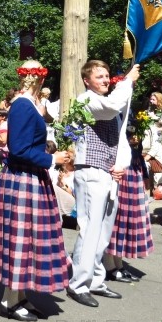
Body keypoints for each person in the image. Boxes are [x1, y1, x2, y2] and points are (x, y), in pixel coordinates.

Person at [0, 60, 70, 321]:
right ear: (38, 80)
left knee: (29, 241)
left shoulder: (29, 105)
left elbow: (28, 142)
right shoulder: (23, 105)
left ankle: (20, 295)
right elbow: (19, 148)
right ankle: (8, 301)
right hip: (23, 180)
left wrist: (47, 146)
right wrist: (51, 160)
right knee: (21, 240)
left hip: (31, 178)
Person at [67, 61, 140, 308]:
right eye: (100, 76)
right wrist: (127, 81)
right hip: (89, 172)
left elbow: (121, 141)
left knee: (103, 232)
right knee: (90, 231)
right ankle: (78, 284)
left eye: (108, 76)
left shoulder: (106, 101)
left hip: (108, 175)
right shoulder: (85, 99)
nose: (106, 80)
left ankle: (96, 280)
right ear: (87, 80)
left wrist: (122, 165)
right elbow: (111, 108)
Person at [104, 126, 153, 282]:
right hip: (121, 168)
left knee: (126, 219)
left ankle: (118, 264)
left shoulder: (136, 112)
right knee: (117, 217)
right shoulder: (116, 110)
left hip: (133, 168)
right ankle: (109, 264)